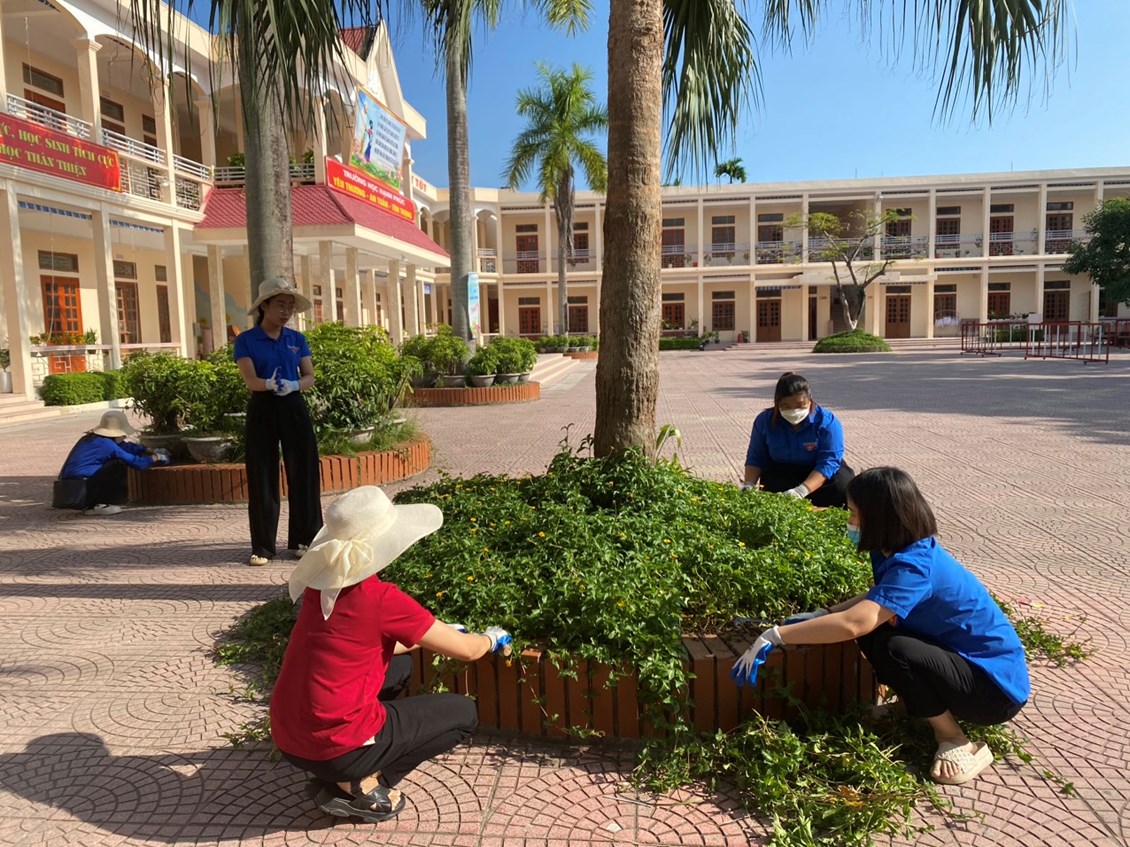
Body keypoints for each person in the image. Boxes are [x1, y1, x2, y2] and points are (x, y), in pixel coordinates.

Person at [732, 466, 1029, 786]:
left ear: (880, 518)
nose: (849, 521)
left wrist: (776, 636)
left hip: (993, 690)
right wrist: (823, 613)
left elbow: (855, 623)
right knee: (879, 634)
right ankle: (914, 709)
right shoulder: (893, 549)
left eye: (854, 513)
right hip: (960, 663)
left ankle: (955, 739)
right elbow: (879, 597)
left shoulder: (915, 566)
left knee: (893, 646)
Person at [271, 486, 512, 822]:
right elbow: (469, 651)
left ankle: (342, 769)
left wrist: (430, 635)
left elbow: (362, 645)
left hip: (288, 735)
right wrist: (491, 638)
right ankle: (362, 785)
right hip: (334, 745)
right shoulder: (380, 598)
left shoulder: (321, 588)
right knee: (463, 713)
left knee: (399, 667)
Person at [234, 277, 322, 566]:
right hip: (263, 407)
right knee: (262, 473)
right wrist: (269, 384)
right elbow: (250, 380)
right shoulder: (246, 340)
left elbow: (309, 376)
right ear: (264, 306)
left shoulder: (297, 339)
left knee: (304, 470)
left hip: (293, 405)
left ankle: (305, 539)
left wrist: (294, 385)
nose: (286, 312)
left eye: (290, 307)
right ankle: (262, 547)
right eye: (280, 305)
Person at [742, 372, 854, 508]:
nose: (794, 411)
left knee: (842, 487)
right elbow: (756, 457)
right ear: (777, 404)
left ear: (810, 401)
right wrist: (748, 486)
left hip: (817, 471)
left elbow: (829, 461)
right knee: (772, 492)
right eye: (786, 406)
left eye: (800, 405)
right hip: (783, 471)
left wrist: (802, 491)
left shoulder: (827, 421)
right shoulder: (764, 421)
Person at [56, 410, 170, 515]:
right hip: (83, 488)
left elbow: (125, 446)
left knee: (114, 462)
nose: (124, 436)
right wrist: (156, 457)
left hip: (71, 486)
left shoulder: (93, 439)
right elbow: (137, 463)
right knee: (117, 464)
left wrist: (145, 449)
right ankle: (96, 505)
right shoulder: (107, 445)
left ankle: (95, 503)